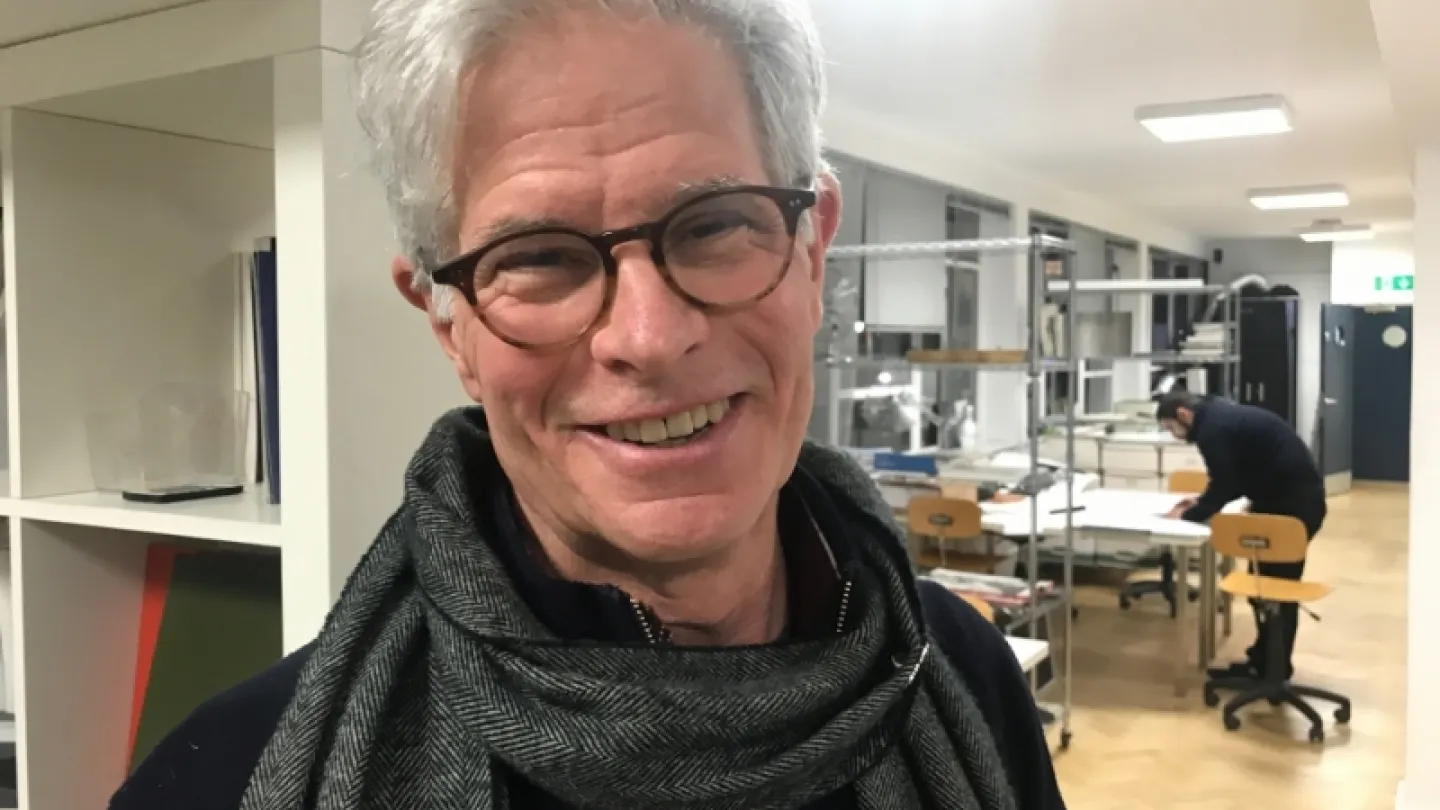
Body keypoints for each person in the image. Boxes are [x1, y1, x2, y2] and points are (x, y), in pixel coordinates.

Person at [109, 2, 1066, 809]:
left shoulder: (965, 676)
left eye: (717, 223)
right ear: (450, 326)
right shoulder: (224, 777)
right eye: (539, 258)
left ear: (812, 251)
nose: (648, 337)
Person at [1156, 390, 1327, 683]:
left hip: (1289, 509)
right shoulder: (1220, 417)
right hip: (1292, 501)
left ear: (1184, 415)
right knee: (1265, 588)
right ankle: (1264, 664)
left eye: (1172, 428)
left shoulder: (1212, 430)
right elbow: (1236, 477)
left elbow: (1225, 483)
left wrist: (1188, 516)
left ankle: (1274, 672)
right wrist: (1201, 502)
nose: (1174, 436)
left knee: (1274, 591)